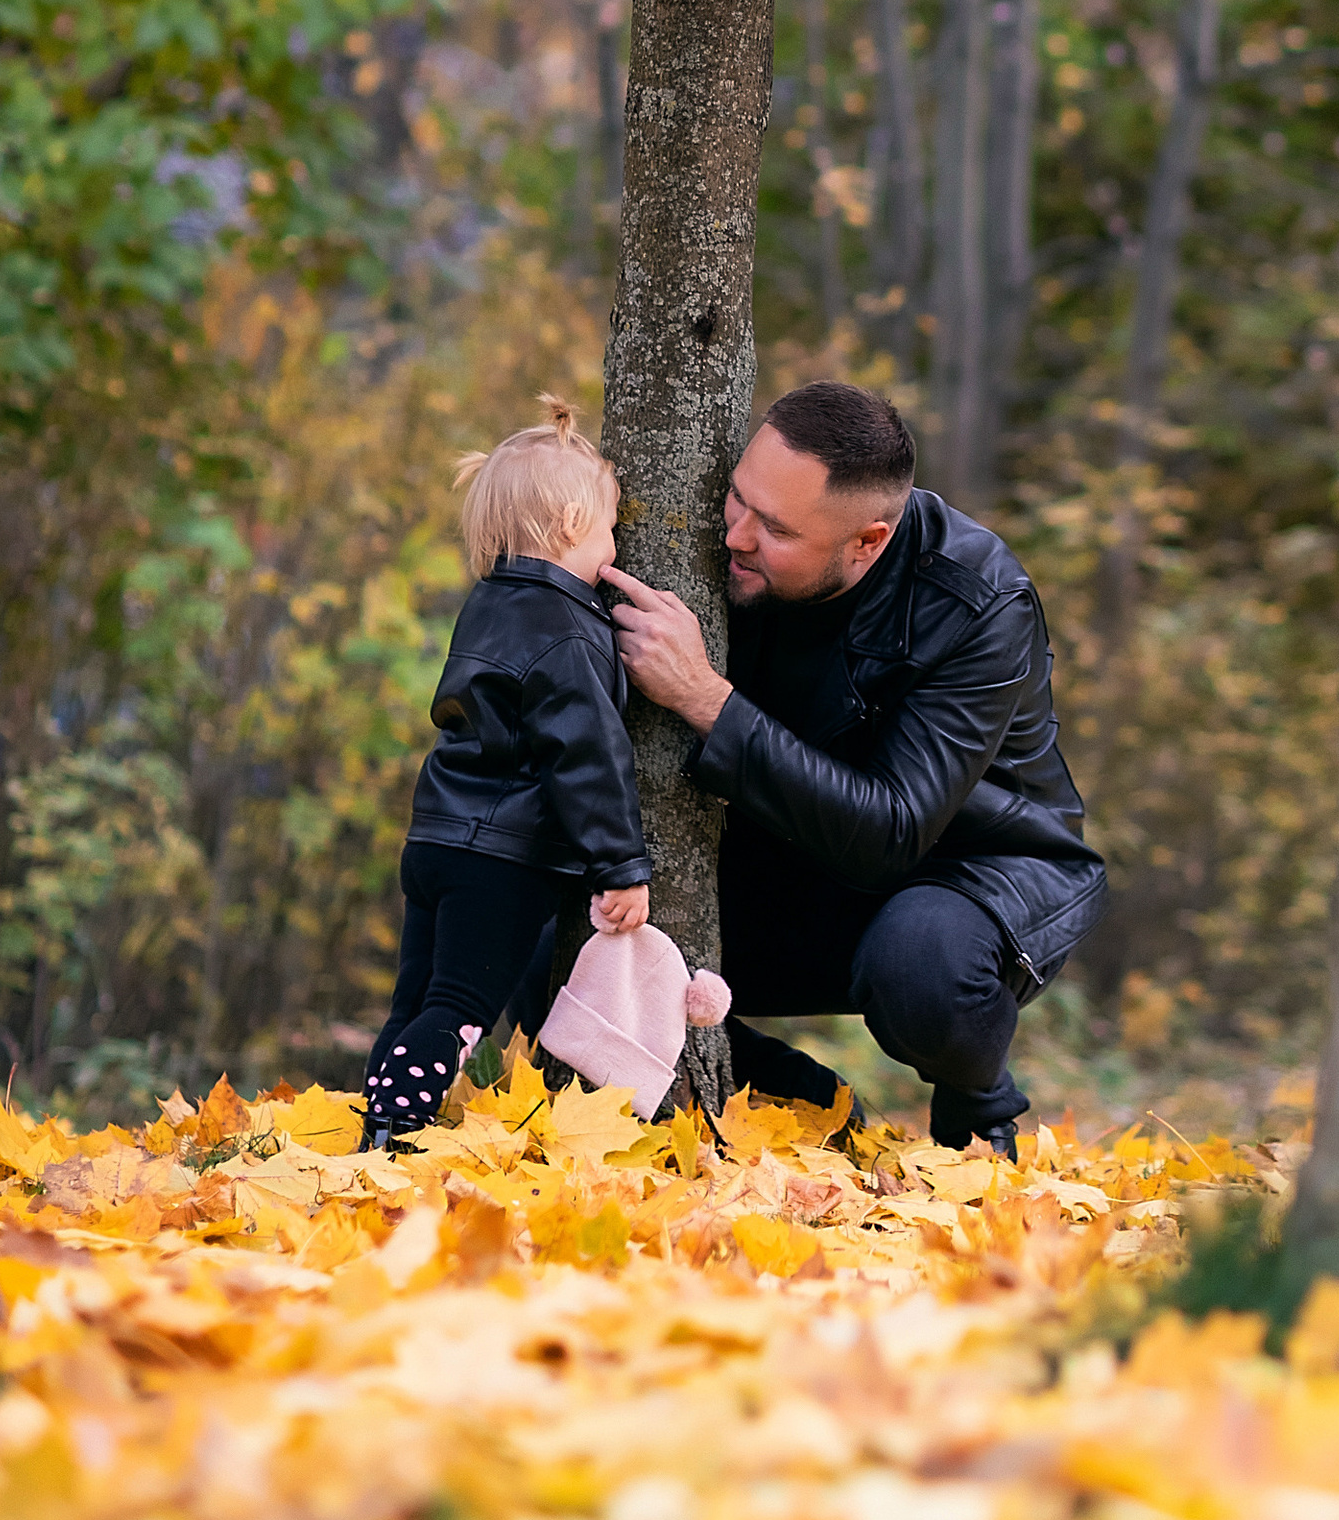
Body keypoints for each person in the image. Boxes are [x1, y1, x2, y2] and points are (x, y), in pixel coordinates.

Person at [609, 381, 1105, 1156]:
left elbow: (893, 830)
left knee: (923, 966)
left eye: (773, 528)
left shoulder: (978, 601)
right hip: (801, 861)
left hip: (974, 872)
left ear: (866, 542)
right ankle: (816, 1112)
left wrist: (706, 699)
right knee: (563, 935)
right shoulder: (727, 546)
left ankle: (978, 1113)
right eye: (737, 498)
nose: (734, 534)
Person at [363, 395, 651, 1145]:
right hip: (503, 854)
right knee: (459, 1007)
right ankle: (399, 1126)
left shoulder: (488, 604)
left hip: (436, 839)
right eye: (612, 526)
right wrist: (619, 865)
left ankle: (377, 1122)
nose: (616, 548)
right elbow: (587, 753)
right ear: (569, 527)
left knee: (416, 999)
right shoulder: (567, 630)